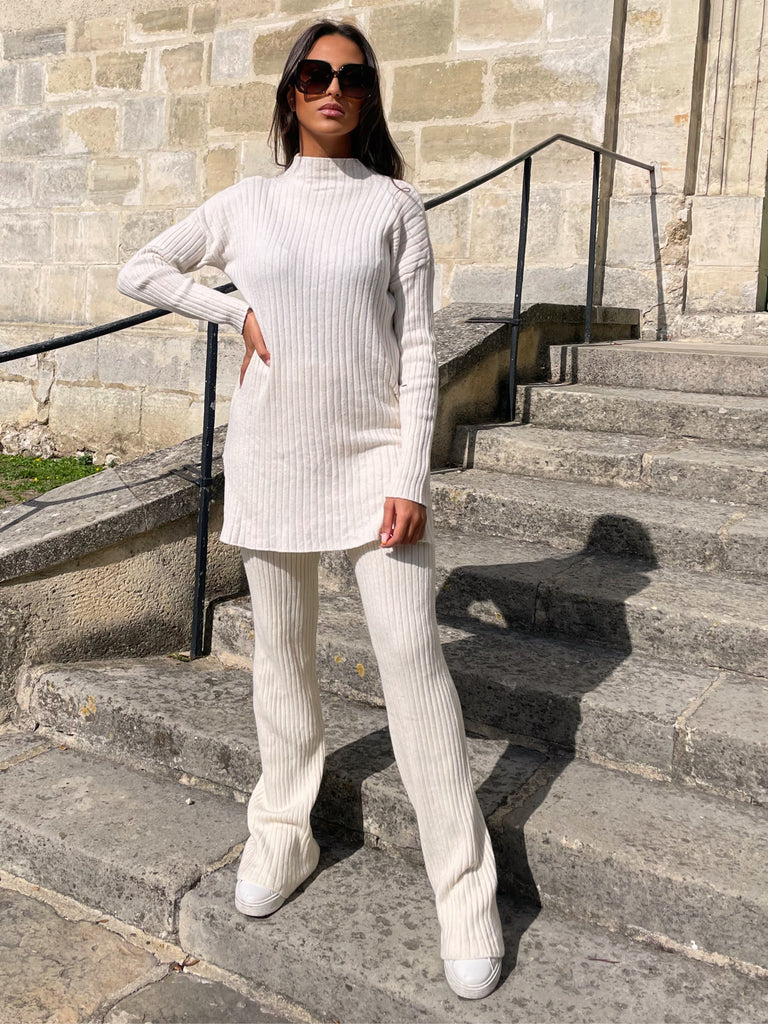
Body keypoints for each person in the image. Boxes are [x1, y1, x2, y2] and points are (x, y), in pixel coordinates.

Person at [116, 19, 504, 1001]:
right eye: (316, 74)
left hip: (373, 463)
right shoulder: (246, 203)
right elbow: (142, 268)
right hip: (272, 457)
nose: (335, 88)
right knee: (280, 662)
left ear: (369, 97)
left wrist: (410, 475)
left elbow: (419, 348)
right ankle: (283, 832)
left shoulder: (394, 204)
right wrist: (235, 312)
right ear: (290, 91)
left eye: (353, 76)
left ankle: (464, 890)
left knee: (414, 664)